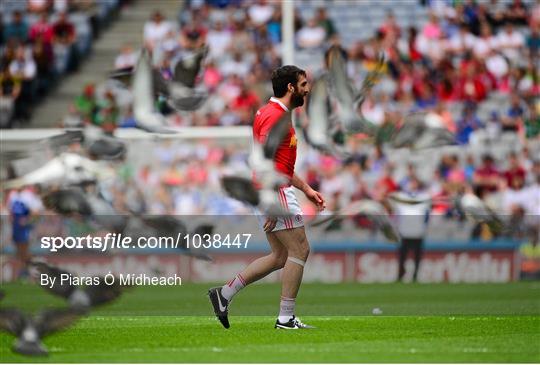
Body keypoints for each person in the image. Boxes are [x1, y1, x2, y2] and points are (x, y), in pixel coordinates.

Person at [208, 65, 326, 330]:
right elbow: (266, 164)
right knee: (300, 250)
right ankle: (285, 318)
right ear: (291, 88)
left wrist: (306, 189)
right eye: (304, 84)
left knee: (280, 256)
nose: (308, 89)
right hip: (275, 192)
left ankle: (224, 294)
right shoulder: (274, 116)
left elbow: (281, 166)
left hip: (273, 189)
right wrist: (271, 205)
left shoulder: (271, 112)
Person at [388, 177, 431, 282]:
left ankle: (415, 276)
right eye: (411, 182)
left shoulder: (424, 196)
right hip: (404, 232)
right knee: (402, 257)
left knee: (417, 257)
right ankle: (401, 275)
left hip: (418, 232)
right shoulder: (401, 197)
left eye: (414, 182)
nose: (412, 185)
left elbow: (427, 214)